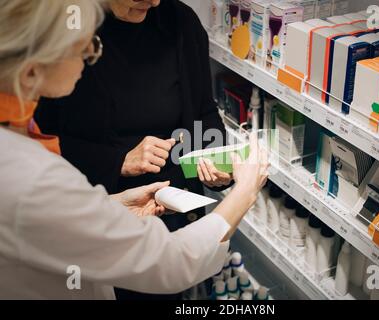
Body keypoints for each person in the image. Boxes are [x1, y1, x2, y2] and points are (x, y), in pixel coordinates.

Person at [0, 0, 268, 300]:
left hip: (155, 205)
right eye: (82, 48)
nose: (91, 54)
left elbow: (60, 220)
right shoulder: (33, 176)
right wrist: (245, 191)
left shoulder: (179, 21)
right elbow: (171, 262)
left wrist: (113, 206)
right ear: (32, 71)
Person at [35, 0, 232, 231]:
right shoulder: (66, 28)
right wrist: (119, 161)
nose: (155, 1)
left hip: (177, 207)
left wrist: (217, 163)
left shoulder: (180, 21)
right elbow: (40, 139)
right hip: (98, 209)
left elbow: (203, 111)